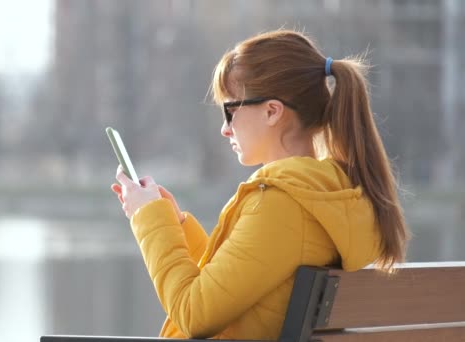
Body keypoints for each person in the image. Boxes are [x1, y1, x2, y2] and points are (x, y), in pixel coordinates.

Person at [110, 29, 409, 340]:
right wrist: (176, 225)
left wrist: (151, 221)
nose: (225, 130)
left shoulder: (283, 205)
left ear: (271, 111)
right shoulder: (322, 196)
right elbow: (241, 281)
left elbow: (194, 314)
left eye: (230, 111)